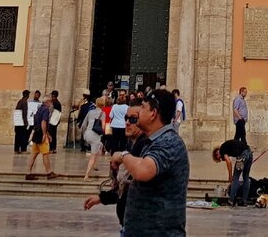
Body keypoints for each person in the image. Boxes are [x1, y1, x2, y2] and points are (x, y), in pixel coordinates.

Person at [111, 88, 189, 236]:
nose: (138, 112)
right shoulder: (153, 141)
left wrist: (123, 156)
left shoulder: (169, 142)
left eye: (143, 107)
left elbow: (143, 171)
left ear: (153, 113)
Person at [84, 98, 149, 229]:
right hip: (128, 223)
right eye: (126, 118)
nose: (127, 122)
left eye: (133, 119)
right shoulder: (131, 145)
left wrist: (123, 158)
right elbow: (123, 189)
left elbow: (133, 186)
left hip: (138, 225)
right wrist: (101, 198)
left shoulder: (145, 148)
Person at [25, 94, 59, 180]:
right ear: (47, 102)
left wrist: (48, 134)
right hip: (41, 134)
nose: (52, 103)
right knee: (45, 154)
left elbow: (38, 121)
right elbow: (43, 122)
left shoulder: (39, 108)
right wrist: (44, 134)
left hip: (36, 133)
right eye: (51, 101)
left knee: (33, 154)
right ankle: (49, 173)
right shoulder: (46, 110)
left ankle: (28, 173)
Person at [213, 138, 254, 206]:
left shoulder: (222, 149)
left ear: (218, 151)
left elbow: (228, 162)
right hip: (249, 153)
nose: (219, 157)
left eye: (218, 156)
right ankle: (244, 200)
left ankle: (231, 201)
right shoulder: (226, 147)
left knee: (235, 178)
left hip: (243, 155)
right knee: (246, 177)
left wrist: (230, 175)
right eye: (218, 158)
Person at [79, 95, 104, 178]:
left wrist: (84, 135)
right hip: (95, 136)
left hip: (87, 134)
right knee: (93, 156)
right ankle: (87, 175)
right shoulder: (102, 113)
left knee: (100, 146)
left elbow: (83, 125)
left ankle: (95, 165)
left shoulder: (90, 112)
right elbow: (103, 127)